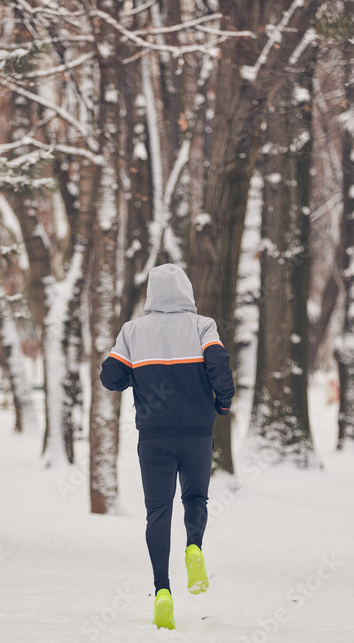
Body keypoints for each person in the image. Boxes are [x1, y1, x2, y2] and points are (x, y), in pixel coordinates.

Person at [99, 263, 235, 630]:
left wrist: (135, 373)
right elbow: (219, 366)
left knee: (157, 512)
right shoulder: (202, 325)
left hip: (154, 436)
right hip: (197, 432)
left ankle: (162, 591)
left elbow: (110, 377)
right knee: (195, 499)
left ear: (151, 295)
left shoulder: (133, 331)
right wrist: (222, 404)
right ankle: (194, 547)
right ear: (187, 292)